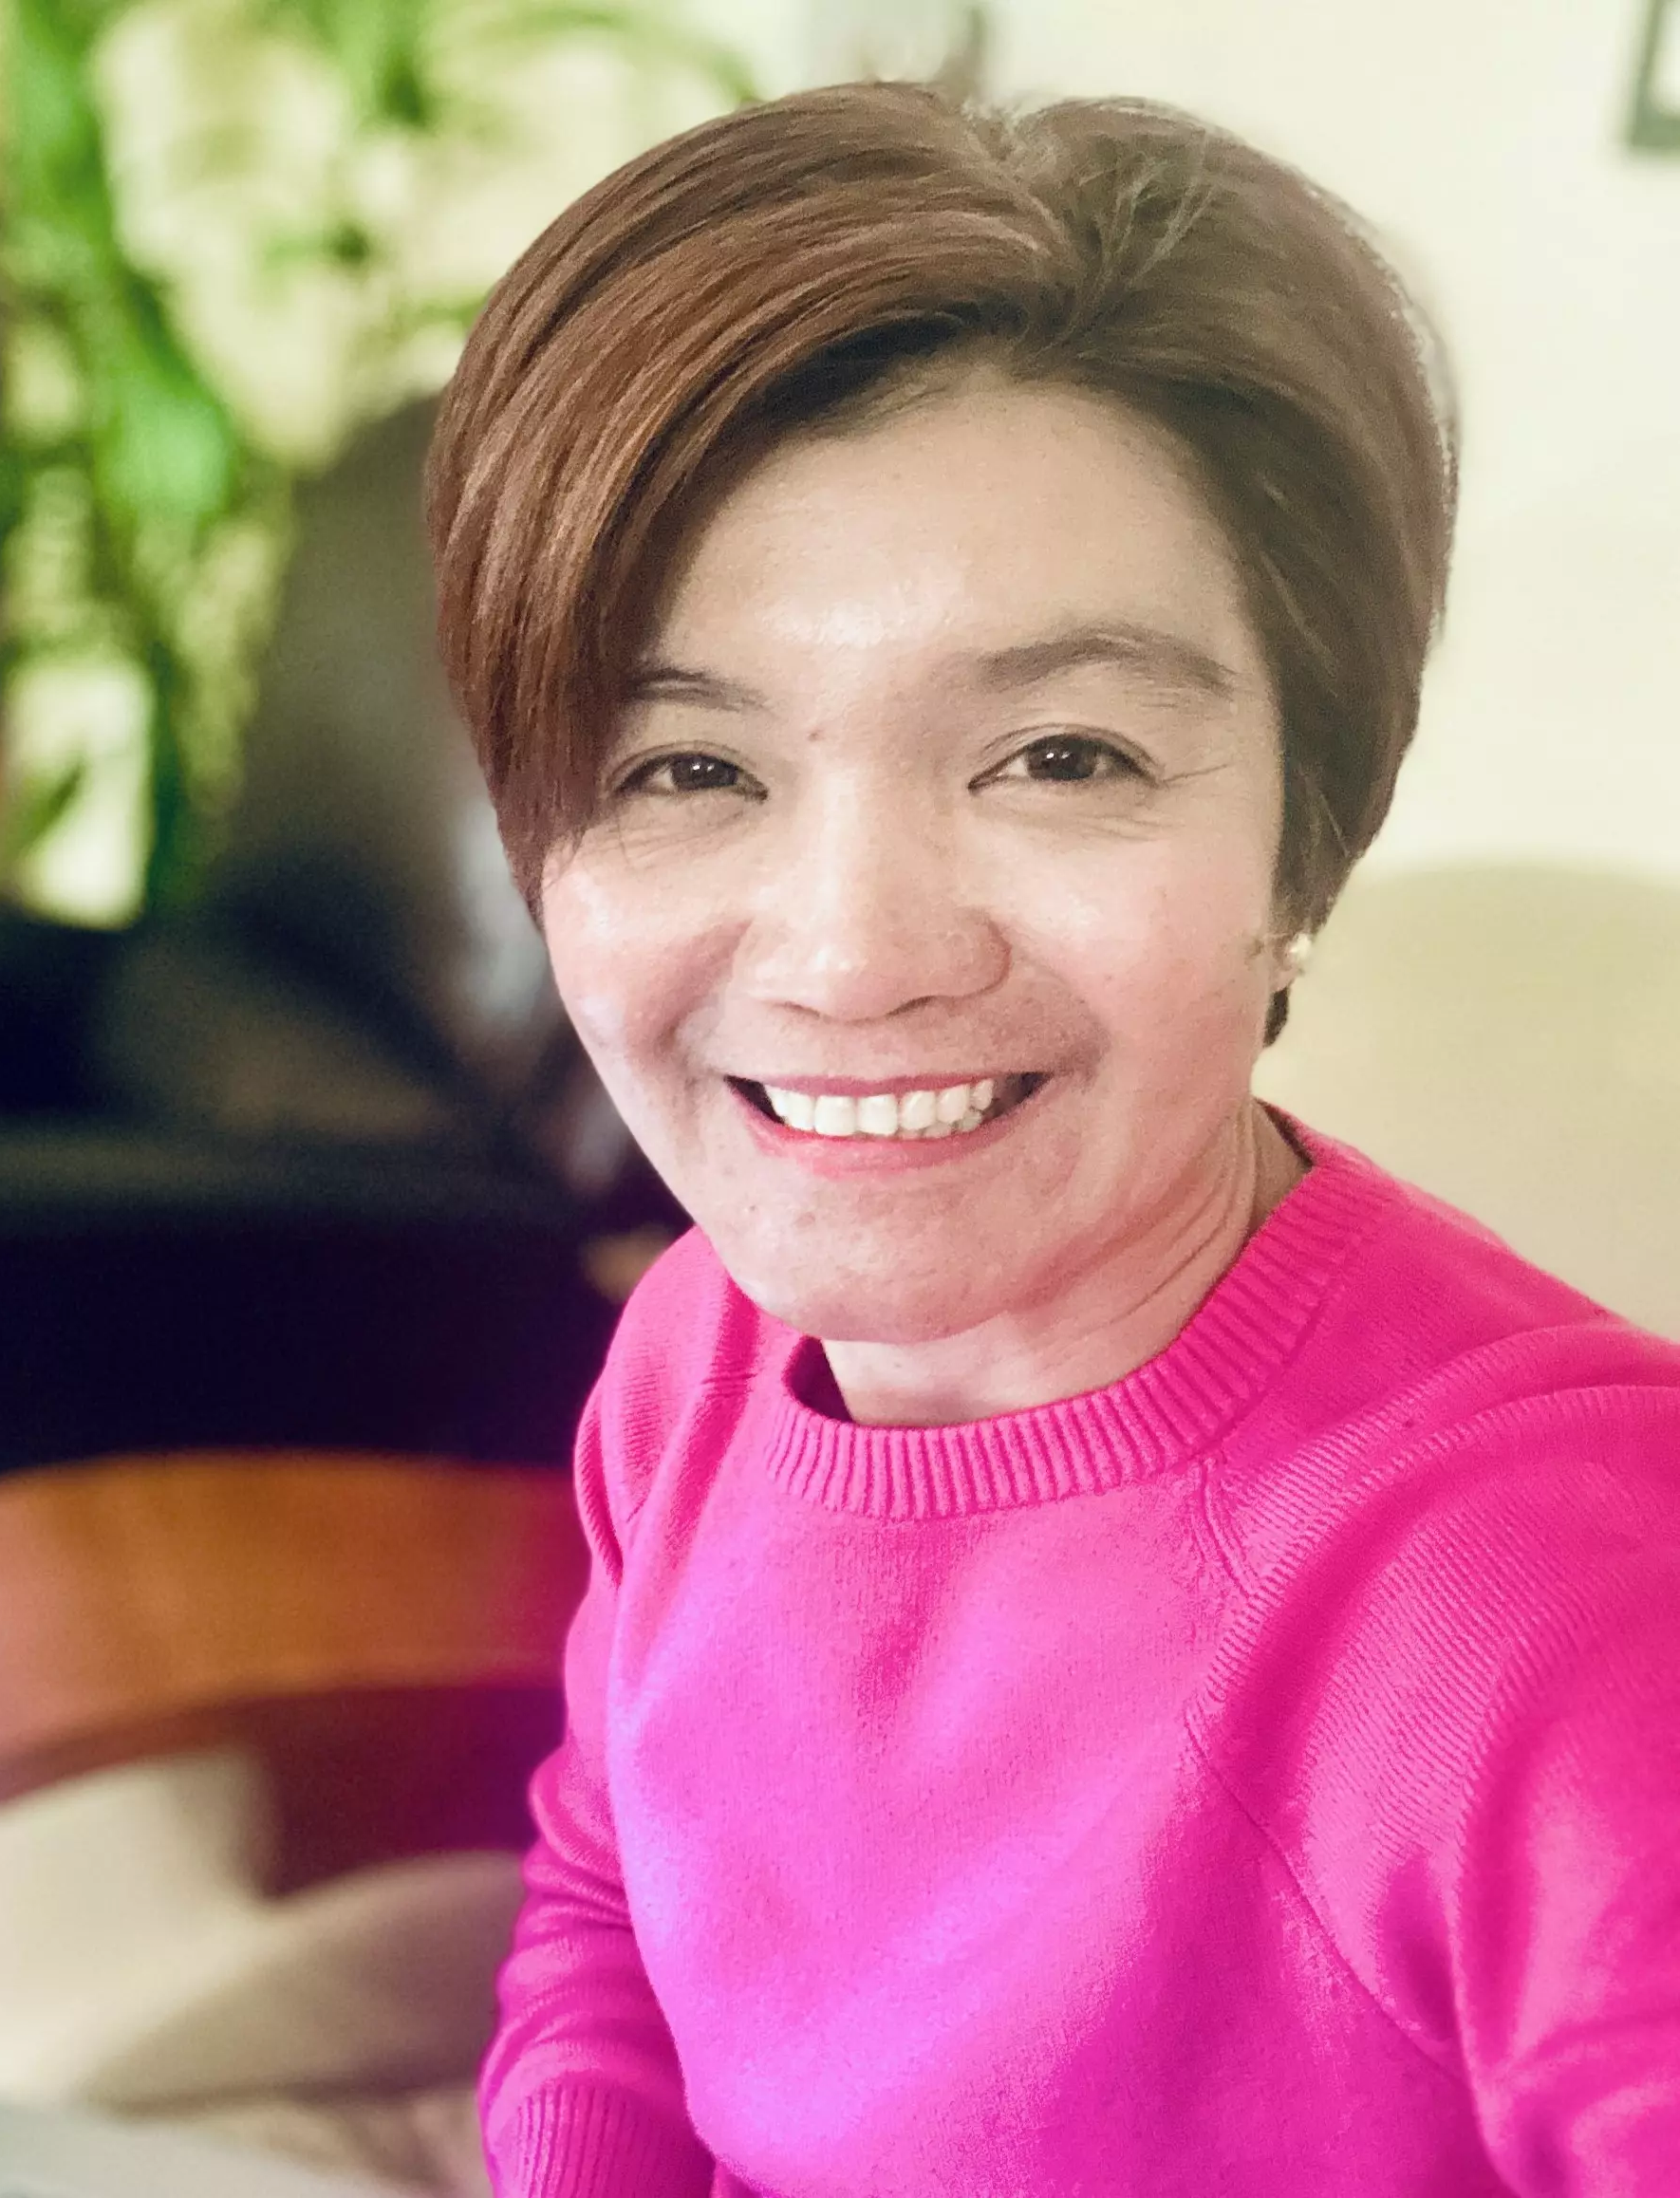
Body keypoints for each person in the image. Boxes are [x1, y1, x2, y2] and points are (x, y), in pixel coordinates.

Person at [423, 84, 1680, 2196]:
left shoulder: (1571, 1603)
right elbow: (612, 1904)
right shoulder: (694, 1363)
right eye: (685, 768)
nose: (852, 957)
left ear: (1305, 836)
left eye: (1061, 755)